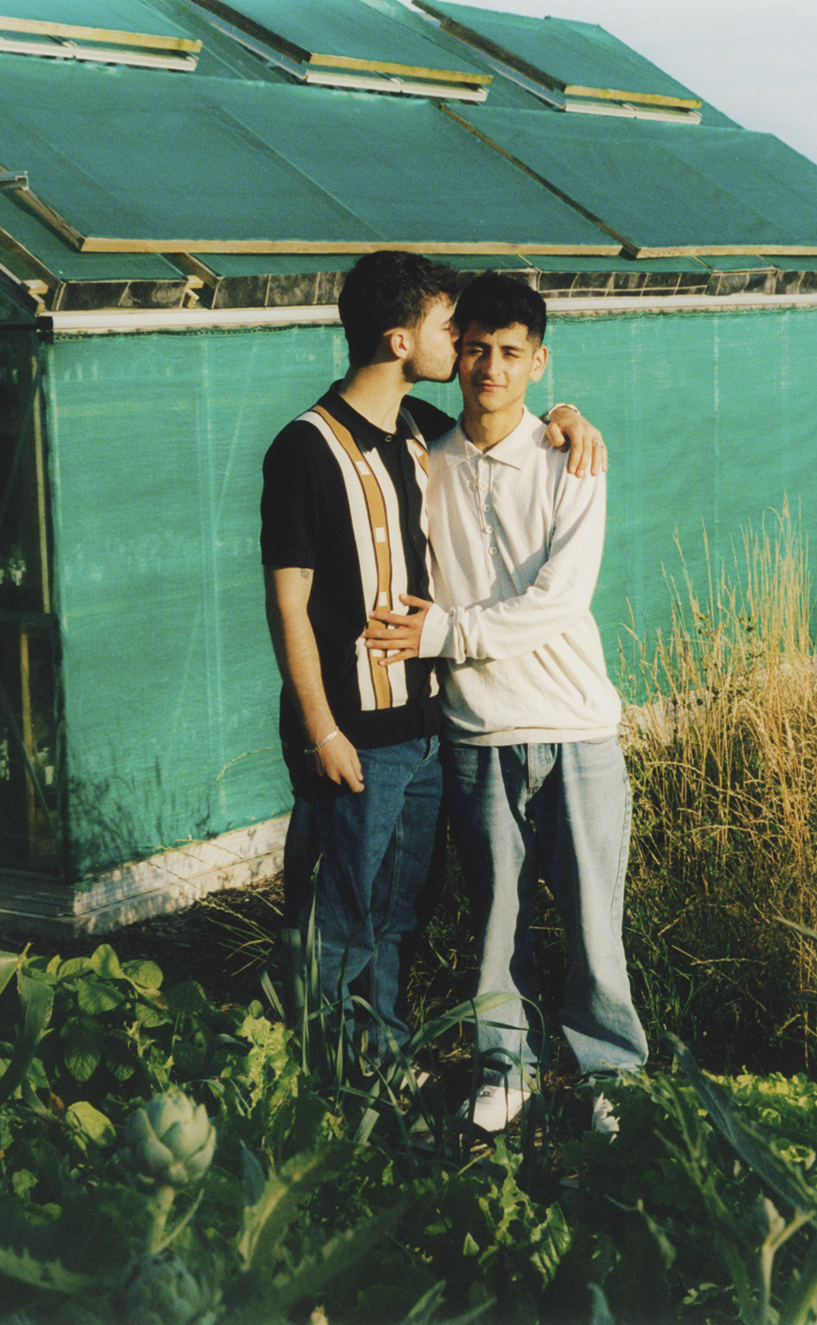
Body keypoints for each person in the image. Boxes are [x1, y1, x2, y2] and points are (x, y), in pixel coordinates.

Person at [260, 252, 605, 1067]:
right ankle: (325, 1087)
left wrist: (566, 413)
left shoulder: (417, 435)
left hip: (421, 731)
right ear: (396, 339)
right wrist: (319, 728)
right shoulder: (304, 449)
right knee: (335, 918)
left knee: (397, 912)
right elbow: (288, 602)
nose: (465, 342)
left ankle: (379, 1067)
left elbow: (505, 428)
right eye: (450, 329)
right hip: (349, 731)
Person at [364, 271, 647, 1129]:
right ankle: (505, 1069)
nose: (490, 366)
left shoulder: (572, 458)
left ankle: (610, 1076)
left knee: (595, 921)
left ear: (539, 362)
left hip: (576, 728)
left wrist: (442, 633)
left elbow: (559, 600)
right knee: (495, 920)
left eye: (511, 353)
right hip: (476, 732)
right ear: (456, 356)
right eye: (477, 348)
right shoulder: (425, 459)